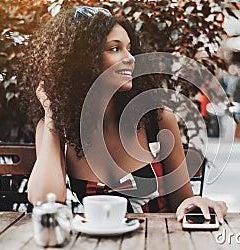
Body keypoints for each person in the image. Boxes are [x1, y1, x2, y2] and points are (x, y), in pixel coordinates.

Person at [23, 5, 227, 223]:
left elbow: (182, 202)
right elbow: (45, 200)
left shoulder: (156, 121)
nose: (130, 58)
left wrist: (198, 203)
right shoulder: (55, 129)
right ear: (83, 61)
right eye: (114, 49)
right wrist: (53, 113)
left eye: (129, 48)